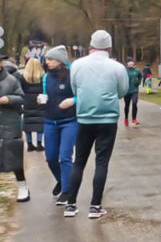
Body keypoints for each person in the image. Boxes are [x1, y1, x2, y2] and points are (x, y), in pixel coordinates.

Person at [63, 30, 128, 219]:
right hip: (107, 120)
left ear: (91, 45)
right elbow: (122, 91)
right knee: (102, 162)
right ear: (109, 46)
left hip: (84, 119)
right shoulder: (117, 67)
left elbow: (75, 89)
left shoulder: (77, 65)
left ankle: (71, 204)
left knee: (79, 161)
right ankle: (95, 206)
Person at [42, 45, 78, 205]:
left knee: (65, 157)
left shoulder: (72, 76)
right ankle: (61, 180)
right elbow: (45, 93)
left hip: (69, 122)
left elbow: (83, 95)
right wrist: (41, 99)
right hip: (50, 121)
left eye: (50, 59)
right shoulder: (46, 77)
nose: (47, 62)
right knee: (50, 158)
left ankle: (66, 191)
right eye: (46, 59)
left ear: (59, 60)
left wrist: (73, 100)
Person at [0, 53, 28, 201]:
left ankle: (23, 187)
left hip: (9, 123)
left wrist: (8, 99)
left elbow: (22, 98)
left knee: (14, 156)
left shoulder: (11, 80)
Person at [18, 57, 46, 152]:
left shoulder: (23, 78)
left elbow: (20, 90)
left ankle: (29, 144)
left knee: (28, 122)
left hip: (27, 101)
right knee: (40, 122)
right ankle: (39, 143)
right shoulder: (43, 77)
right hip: (40, 100)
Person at [124, 58, 142, 126]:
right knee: (127, 105)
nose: (131, 63)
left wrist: (139, 82)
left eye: (132, 62)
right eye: (129, 62)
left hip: (134, 90)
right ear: (127, 63)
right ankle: (126, 118)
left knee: (134, 103)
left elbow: (140, 76)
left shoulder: (136, 70)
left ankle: (134, 119)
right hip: (127, 91)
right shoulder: (124, 70)